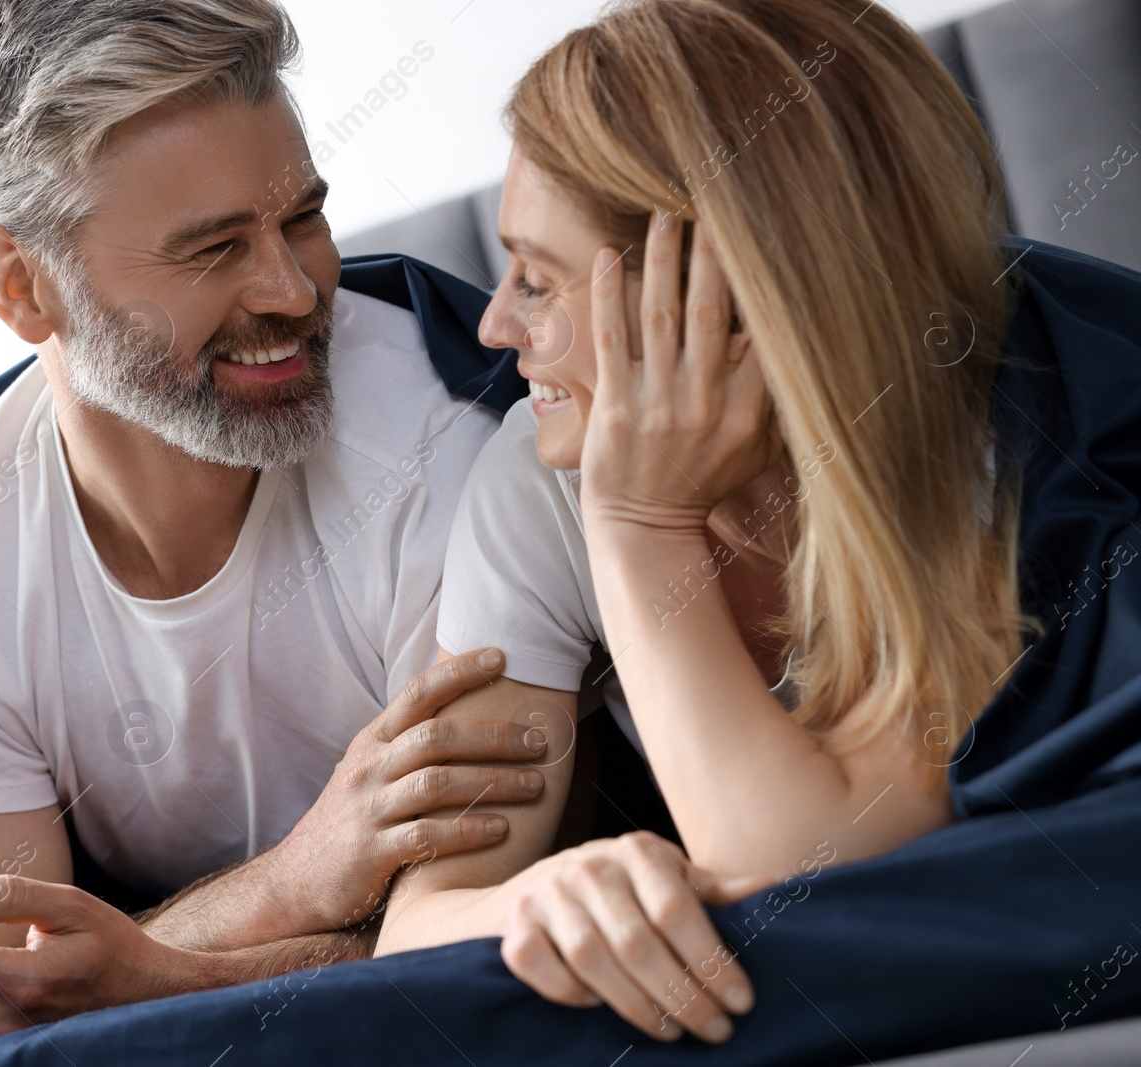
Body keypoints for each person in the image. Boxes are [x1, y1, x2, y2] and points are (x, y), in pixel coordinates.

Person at [0, 0, 547, 1048]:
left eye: (301, 217)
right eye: (213, 248)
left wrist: (140, 972)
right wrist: (290, 881)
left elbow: (483, 957)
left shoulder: (446, 452)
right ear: (21, 285)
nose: (293, 287)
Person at [373, 0, 1035, 1048]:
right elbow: (414, 924)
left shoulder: (1005, 446)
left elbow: (814, 888)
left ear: (717, 296)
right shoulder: (537, 473)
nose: (495, 329)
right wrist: (540, 897)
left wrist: (639, 523)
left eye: (537, 280)